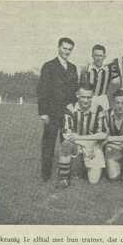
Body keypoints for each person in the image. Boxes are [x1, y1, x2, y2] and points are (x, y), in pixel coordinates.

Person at [37, 37, 79, 181]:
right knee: (49, 144)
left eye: (69, 49)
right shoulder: (48, 66)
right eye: (64, 48)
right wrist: (43, 112)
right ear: (58, 47)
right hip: (52, 113)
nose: (66, 51)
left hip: (67, 114)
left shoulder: (73, 68)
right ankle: (45, 175)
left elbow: (74, 90)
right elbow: (42, 90)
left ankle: (65, 174)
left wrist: (73, 104)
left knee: (67, 144)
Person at [58, 83, 108, 187]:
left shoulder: (98, 108)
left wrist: (86, 141)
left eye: (89, 97)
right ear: (77, 95)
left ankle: (83, 167)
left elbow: (103, 134)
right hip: (77, 144)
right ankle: (63, 178)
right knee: (66, 145)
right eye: (83, 97)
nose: (86, 100)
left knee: (93, 181)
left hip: (92, 145)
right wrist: (85, 144)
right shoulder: (70, 108)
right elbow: (67, 134)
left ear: (93, 96)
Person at [80, 44, 117, 112]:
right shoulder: (87, 68)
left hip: (103, 98)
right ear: (92, 56)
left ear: (104, 56)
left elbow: (116, 82)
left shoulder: (108, 69)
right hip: (90, 98)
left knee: (105, 118)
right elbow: (81, 85)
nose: (98, 58)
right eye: (96, 55)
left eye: (100, 56)